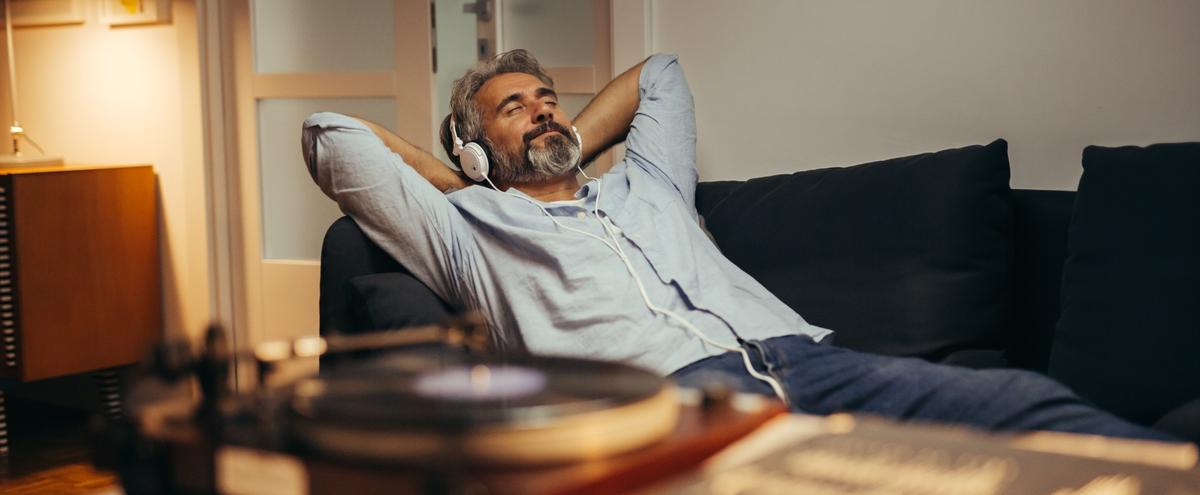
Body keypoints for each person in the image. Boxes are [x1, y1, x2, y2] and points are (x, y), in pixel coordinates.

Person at [302, 50, 1177, 442]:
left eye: (549, 98)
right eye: (514, 107)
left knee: (1026, 404)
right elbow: (328, 134)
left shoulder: (648, 187)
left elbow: (660, 74)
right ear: (472, 142)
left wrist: (555, 139)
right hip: (673, 402)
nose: (543, 110)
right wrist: (473, 184)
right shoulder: (470, 234)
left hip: (814, 360)